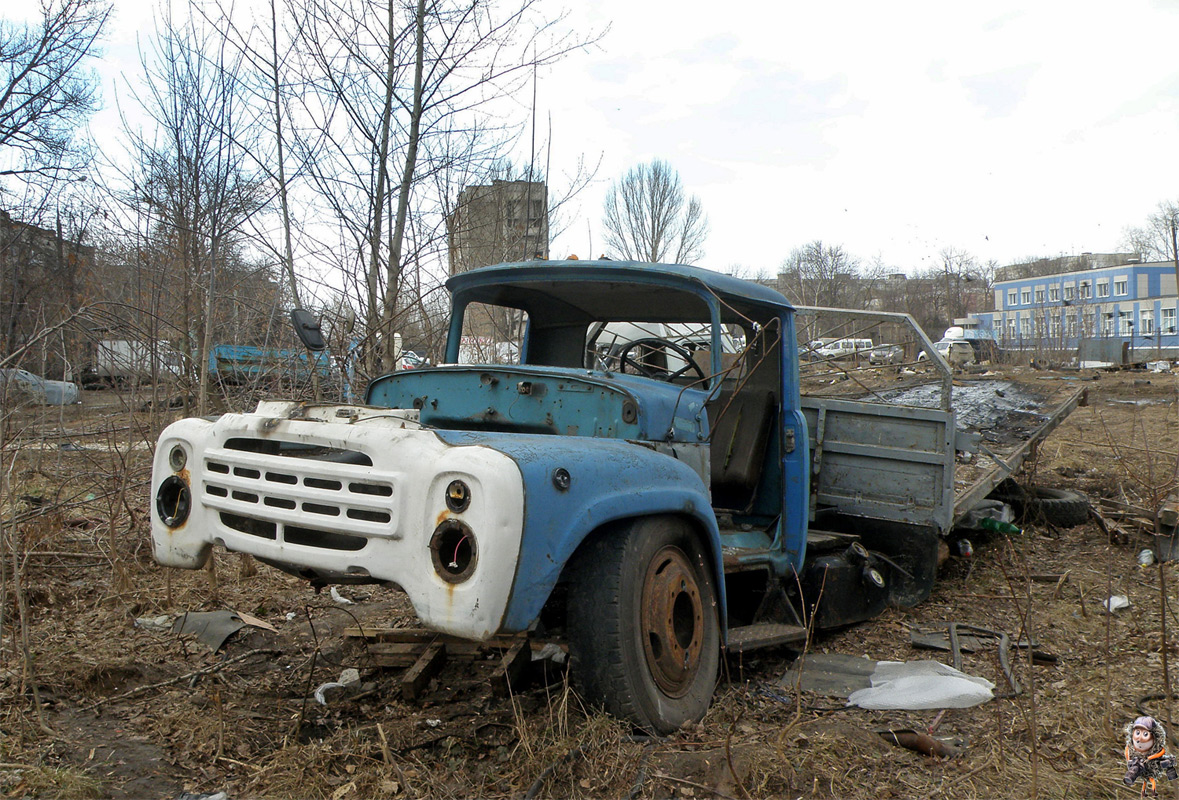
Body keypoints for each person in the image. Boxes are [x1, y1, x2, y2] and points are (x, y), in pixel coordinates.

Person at [1125, 716, 1178, 796]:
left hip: (1152, 766)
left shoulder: (1156, 758)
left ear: (1155, 738)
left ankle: (1153, 791)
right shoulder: (1129, 751)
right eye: (1137, 733)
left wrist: (1168, 765)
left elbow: (1162, 754)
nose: (1139, 739)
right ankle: (1144, 792)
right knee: (1146, 779)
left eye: (1145, 734)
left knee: (1151, 778)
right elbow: (1127, 753)